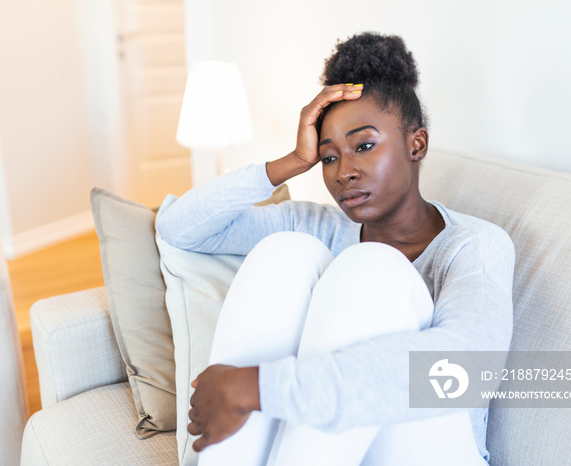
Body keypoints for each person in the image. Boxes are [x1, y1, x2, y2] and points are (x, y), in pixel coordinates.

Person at [156, 32, 514, 465]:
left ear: (415, 144)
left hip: (430, 451)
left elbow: (464, 369)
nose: (344, 172)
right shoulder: (317, 228)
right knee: (285, 251)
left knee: (371, 266)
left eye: (364, 146)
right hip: (331, 452)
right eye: (329, 157)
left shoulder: (474, 245)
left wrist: (255, 387)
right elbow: (180, 230)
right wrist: (287, 163)